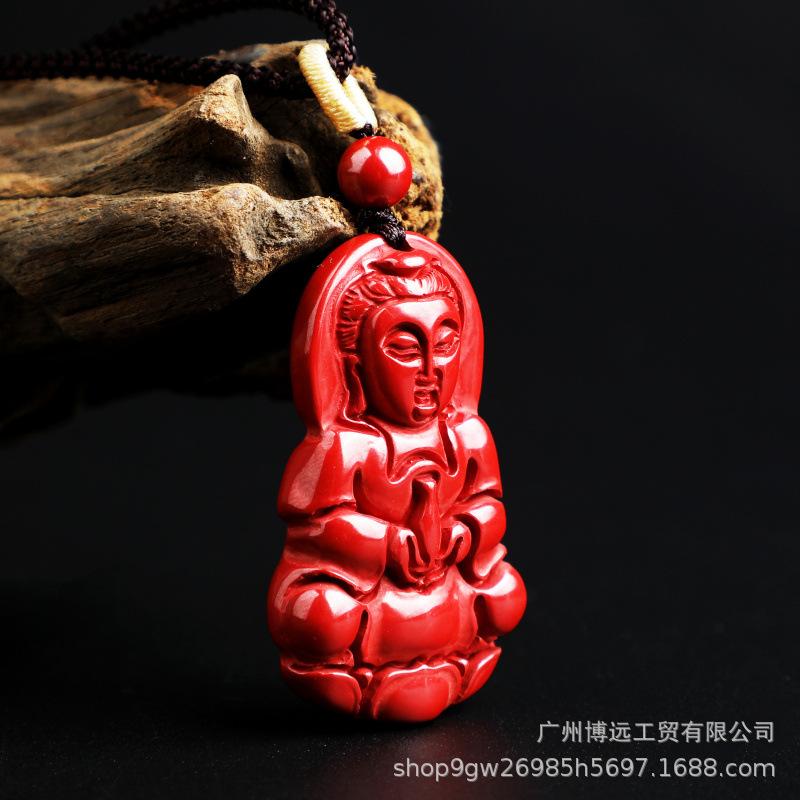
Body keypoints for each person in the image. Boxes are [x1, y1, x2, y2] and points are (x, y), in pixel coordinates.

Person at [267, 238, 526, 722]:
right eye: (405, 348)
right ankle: (353, 673)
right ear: (355, 362)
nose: (432, 370)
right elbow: (313, 528)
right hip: (374, 608)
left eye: (445, 345)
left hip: (446, 594)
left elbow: (490, 505)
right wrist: (387, 544)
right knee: (319, 614)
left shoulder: (468, 436)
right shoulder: (345, 446)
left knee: (506, 591)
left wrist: (463, 532)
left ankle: (447, 660)